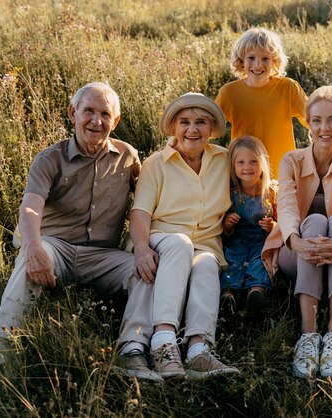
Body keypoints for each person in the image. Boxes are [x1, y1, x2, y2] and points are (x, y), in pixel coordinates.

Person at [0, 82, 160, 382]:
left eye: (105, 113)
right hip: (57, 248)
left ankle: (132, 350)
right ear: (73, 113)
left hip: (104, 255)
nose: (96, 121)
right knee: (30, 261)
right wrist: (32, 247)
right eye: (88, 111)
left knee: (146, 271)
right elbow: (30, 207)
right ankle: (2, 355)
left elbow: (148, 204)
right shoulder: (50, 159)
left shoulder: (127, 156)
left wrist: (144, 248)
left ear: (115, 121)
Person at [262, 86, 332, 378]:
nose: (325, 128)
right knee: (312, 221)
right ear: (308, 124)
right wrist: (297, 242)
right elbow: (285, 206)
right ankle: (308, 336)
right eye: (317, 120)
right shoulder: (292, 161)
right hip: (294, 253)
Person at [129, 92, 239, 380]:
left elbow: (254, 178)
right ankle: (163, 344)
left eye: (201, 122)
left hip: (205, 243)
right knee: (180, 243)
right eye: (185, 122)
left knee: (205, 264)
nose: (192, 129)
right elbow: (140, 211)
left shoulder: (223, 159)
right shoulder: (157, 163)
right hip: (163, 237)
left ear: (211, 128)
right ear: (174, 127)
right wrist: (141, 248)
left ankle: (198, 351)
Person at [215, 27, 308, 178]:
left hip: (282, 174)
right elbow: (209, 129)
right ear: (241, 60)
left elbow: (314, 120)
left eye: (265, 58)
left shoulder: (288, 88)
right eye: (251, 58)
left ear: (275, 61)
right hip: (246, 175)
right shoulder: (229, 93)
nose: (258, 65)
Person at [220, 136, 276, 318]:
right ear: (233, 166)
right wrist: (228, 224)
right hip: (238, 238)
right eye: (241, 162)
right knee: (233, 260)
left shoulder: (271, 192)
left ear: (263, 164)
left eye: (253, 161)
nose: (247, 167)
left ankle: (256, 293)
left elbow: (281, 221)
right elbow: (224, 229)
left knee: (260, 261)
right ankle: (229, 295)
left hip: (262, 240)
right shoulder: (230, 193)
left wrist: (272, 226)